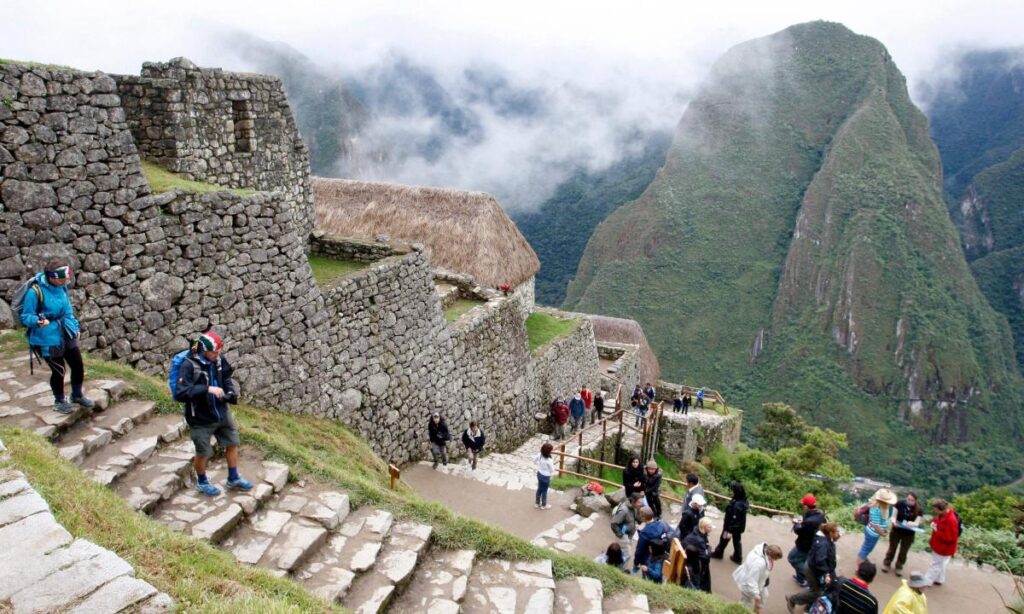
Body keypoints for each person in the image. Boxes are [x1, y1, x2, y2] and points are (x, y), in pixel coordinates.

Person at [173, 331, 253, 496]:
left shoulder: (218, 360)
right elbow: (181, 393)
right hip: (200, 417)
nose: (218, 355)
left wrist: (230, 392)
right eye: (214, 352)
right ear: (204, 349)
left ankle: (233, 477)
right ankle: (202, 482)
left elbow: (226, 377)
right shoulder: (189, 365)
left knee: (232, 443)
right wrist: (207, 389)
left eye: (219, 352)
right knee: (203, 452)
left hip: (221, 411)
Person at [19, 260, 94, 414]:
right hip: (46, 337)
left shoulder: (61, 288)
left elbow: (67, 310)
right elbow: (26, 316)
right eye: (63, 278)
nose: (66, 281)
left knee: (78, 365)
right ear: (52, 277)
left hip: (65, 332)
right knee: (59, 370)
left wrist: (74, 326)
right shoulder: (35, 292)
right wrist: (38, 321)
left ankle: (77, 395)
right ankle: (59, 401)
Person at [787, 521, 841, 611]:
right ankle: (793, 600)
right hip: (814, 570)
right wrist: (826, 573)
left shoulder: (825, 539)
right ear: (830, 533)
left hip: (815, 567)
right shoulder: (823, 544)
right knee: (816, 592)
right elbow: (820, 560)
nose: (839, 533)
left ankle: (809, 605)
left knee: (822, 588)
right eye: (837, 531)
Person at [732, 543, 784, 614]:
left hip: (759, 581)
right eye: (775, 558)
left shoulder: (763, 552)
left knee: (764, 595)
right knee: (745, 602)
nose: (775, 560)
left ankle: (757, 610)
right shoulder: (759, 564)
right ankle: (737, 611)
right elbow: (751, 579)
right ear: (770, 555)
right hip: (748, 585)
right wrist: (756, 594)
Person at [789, 494, 827, 587]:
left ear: (806, 506)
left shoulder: (810, 521)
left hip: (805, 545)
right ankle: (800, 579)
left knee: (793, 559)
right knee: (803, 560)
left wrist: (796, 524)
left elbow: (799, 531)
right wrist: (802, 522)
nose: (803, 506)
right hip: (814, 543)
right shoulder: (820, 514)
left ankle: (810, 577)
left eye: (804, 505)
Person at [883, 492, 923, 576]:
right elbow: (893, 516)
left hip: (909, 533)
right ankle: (887, 563)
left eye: (912, 500)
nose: (910, 501)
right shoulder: (899, 504)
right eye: (908, 499)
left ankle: (899, 566)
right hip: (896, 530)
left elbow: (917, 522)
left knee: (904, 551)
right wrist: (894, 522)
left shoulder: (918, 509)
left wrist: (912, 523)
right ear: (906, 498)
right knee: (892, 548)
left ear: (915, 501)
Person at [923, 498, 959, 586]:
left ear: (941, 509)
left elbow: (950, 538)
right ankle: (939, 579)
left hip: (943, 547)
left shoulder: (951, 520)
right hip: (940, 545)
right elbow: (938, 523)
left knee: (935, 564)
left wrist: (935, 530)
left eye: (936, 510)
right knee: (942, 563)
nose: (935, 512)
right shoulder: (943, 515)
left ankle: (927, 581)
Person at [712, 481, 749, 563]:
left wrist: (729, 531)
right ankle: (737, 557)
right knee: (737, 541)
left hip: (730, 527)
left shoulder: (737, 505)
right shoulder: (743, 500)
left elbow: (734, 519)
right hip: (739, 527)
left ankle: (718, 553)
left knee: (723, 539)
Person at [858, 488, 897, 565]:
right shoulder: (876, 509)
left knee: (867, 547)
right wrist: (882, 533)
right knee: (867, 548)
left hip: (871, 531)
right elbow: (875, 525)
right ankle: (860, 565)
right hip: (872, 533)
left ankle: (863, 558)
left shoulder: (879, 506)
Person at [634, 506, 671, 583]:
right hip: (662, 555)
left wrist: (636, 562)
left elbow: (639, 549)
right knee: (658, 571)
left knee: (647, 574)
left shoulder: (645, 532)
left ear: (643, 518)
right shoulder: (661, 524)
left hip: (648, 557)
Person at [682, 517, 715, 592]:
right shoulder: (699, 540)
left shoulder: (696, 531)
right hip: (693, 562)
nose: (711, 528)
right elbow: (705, 557)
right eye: (709, 527)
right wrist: (709, 549)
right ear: (704, 527)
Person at [611, 493, 644, 561]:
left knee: (621, 551)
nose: (641, 504)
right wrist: (621, 535)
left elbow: (634, 517)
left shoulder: (634, 507)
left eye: (641, 502)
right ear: (633, 501)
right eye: (639, 502)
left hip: (629, 535)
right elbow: (614, 523)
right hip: (623, 536)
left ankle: (614, 562)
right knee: (628, 555)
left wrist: (641, 519)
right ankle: (620, 569)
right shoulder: (624, 510)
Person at [534, 442, 555, 510]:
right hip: (546, 477)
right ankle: (543, 505)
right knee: (544, 491)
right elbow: (552, 470)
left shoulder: (539, 455)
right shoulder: (549, 460)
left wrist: (539, 465)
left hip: (539, 474)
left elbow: (534, 461)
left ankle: (537, 503)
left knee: (539, 488)